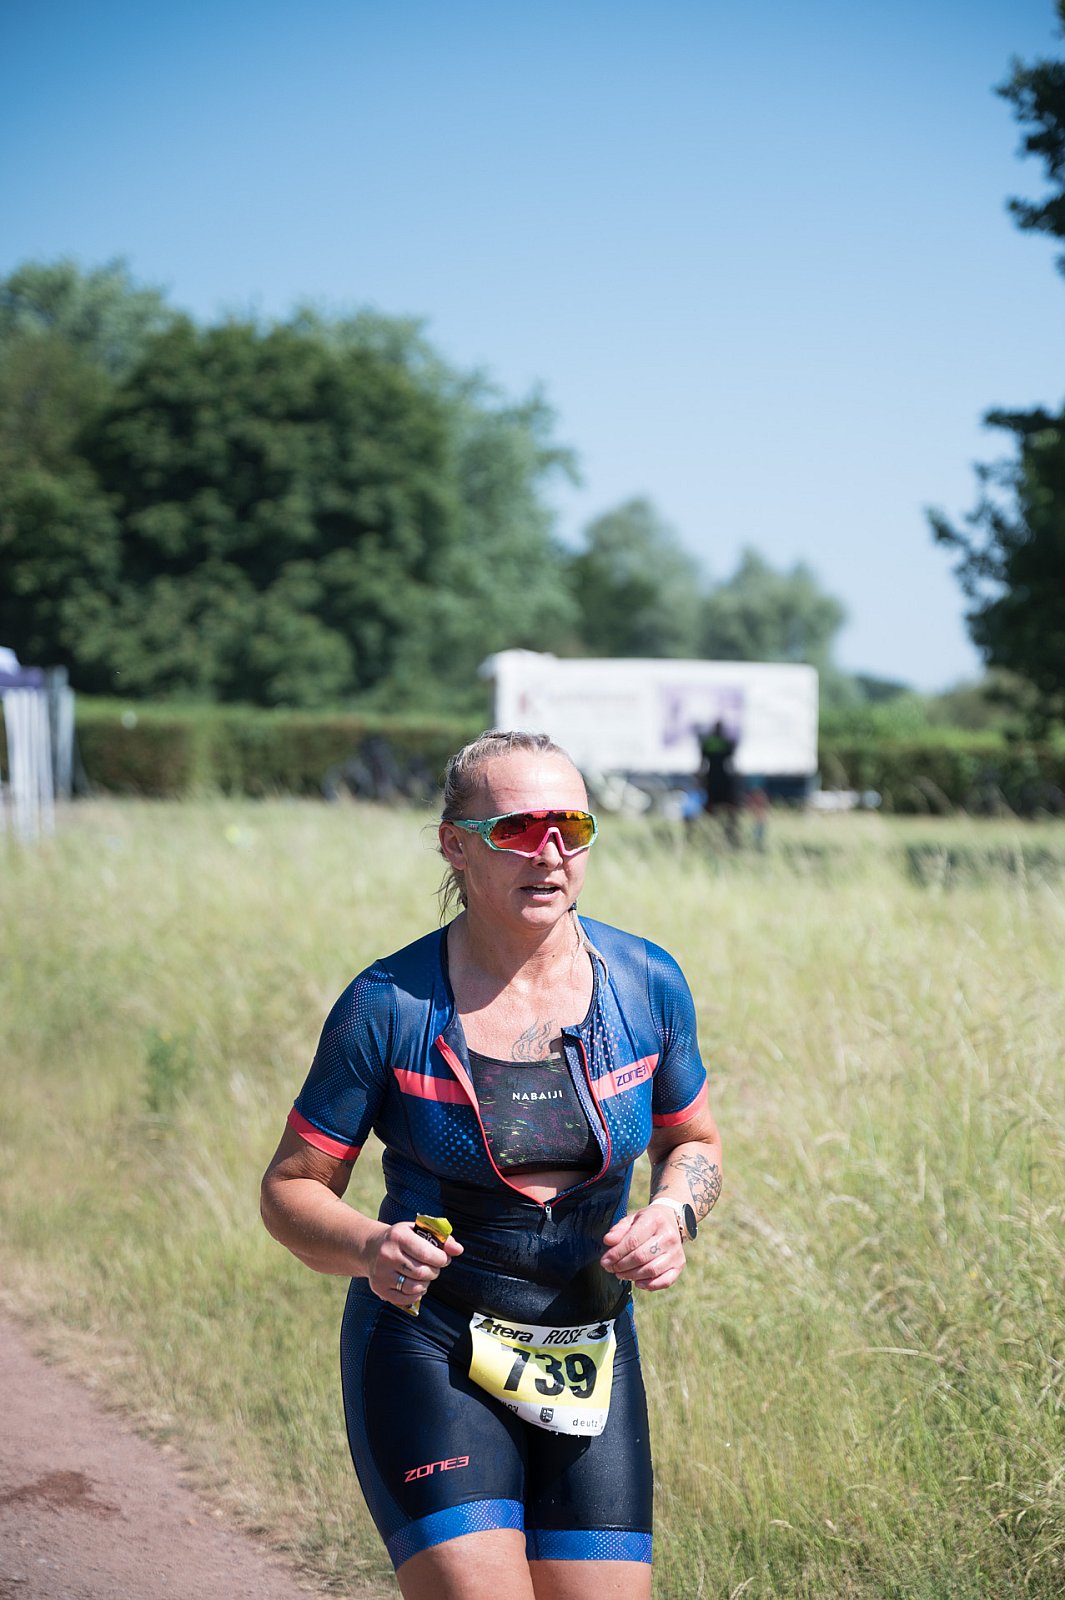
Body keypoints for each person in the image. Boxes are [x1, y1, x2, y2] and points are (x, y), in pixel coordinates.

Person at [260, 730, 723, 1600]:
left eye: (570, 827)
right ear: (455, 846)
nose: (549, 852)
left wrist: (672, 1214)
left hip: (588, 1344)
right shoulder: (386, 1004)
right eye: (516, 828)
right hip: (429, 1341)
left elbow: (692, 1141)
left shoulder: (646, 982)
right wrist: (370, 1247)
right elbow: (289, 1190)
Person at [697, 720, 741, 847]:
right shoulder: (725, 742)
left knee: (711, 809)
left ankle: (710, 836)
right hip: (722, 779)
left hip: (712, 779)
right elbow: (731, 761)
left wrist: (700, 780)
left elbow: (702, 764)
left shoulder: (708, 743)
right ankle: (728, 835)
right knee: (730, 809)